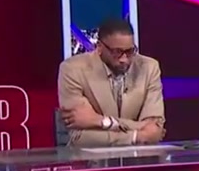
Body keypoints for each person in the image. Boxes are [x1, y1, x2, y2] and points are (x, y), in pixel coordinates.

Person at [57, 17, 166, 147]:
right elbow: (79, 136)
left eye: (130, 51)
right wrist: (136, 136)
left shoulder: (149, 67)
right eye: (117, 52)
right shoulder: (72, 69)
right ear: (99, 47)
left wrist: (102, 122)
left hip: (140, 156)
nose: (124, 59)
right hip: (90, 157)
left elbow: (155, 129)